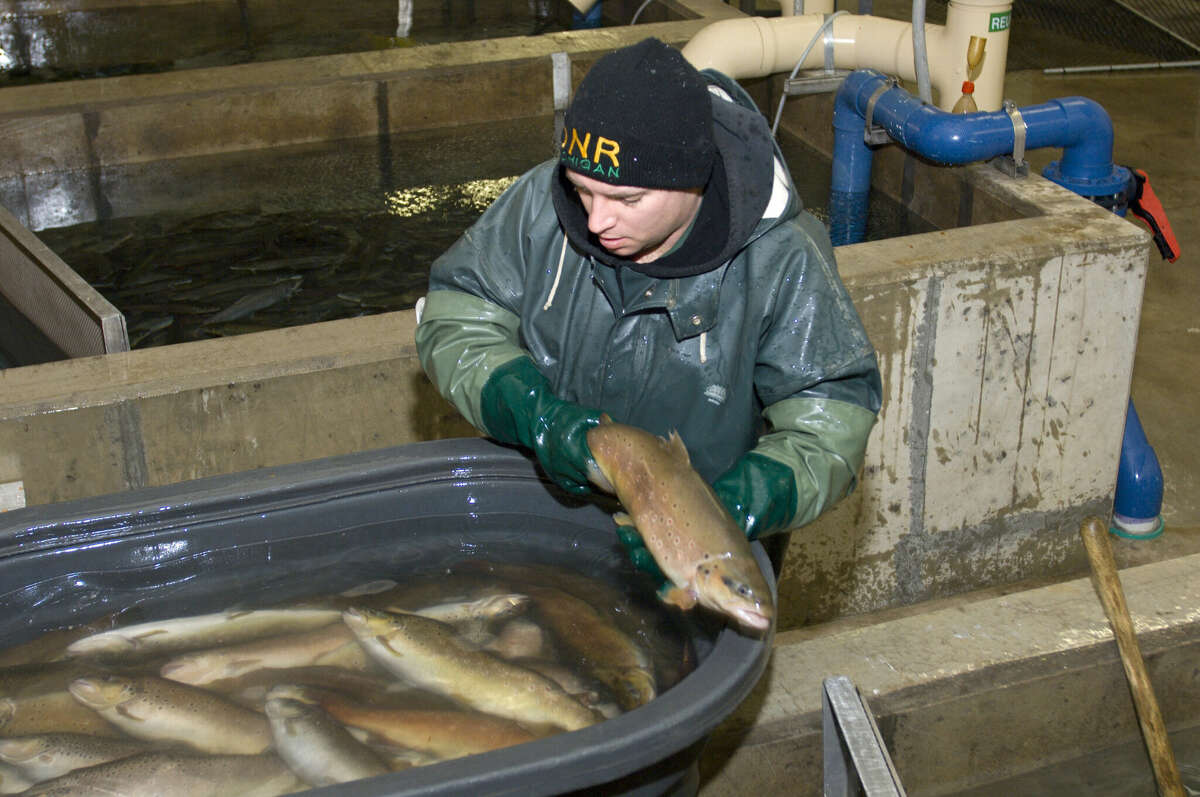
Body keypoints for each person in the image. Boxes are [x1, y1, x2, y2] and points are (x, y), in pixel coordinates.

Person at [415, 38, 882, 571]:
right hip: (546, 508)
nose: (595, 221)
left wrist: (738, 503)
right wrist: (532, 414)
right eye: (582, 190)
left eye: (627, 201)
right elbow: (455, 311)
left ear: (695, 179)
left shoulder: (782, 257)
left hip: (708, 551)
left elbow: (831, 416)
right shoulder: (538, 205)